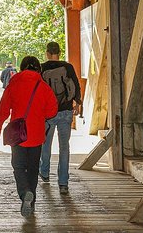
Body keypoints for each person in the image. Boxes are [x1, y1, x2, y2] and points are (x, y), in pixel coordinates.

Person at [0, 56, 58, 217]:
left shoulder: (14, 83)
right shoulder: (43, 86)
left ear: (22, 68)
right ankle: (31, 202)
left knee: (19, 167)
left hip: (18, 134)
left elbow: (3, 108)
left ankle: (25, 193)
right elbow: (52, 111)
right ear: (38, 69)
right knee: (33, 169)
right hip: (36, 135)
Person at [39, 42, 82, 195]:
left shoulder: (42, 68)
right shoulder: (68, 67)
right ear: (60, 52)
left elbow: (38, 90)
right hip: (66, 111)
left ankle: (44, 172)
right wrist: (78, 104)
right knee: (64, 147)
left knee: (46, 144)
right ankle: (63, 182)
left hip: (47, 113)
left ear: (47, 53)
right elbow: (76, 85)